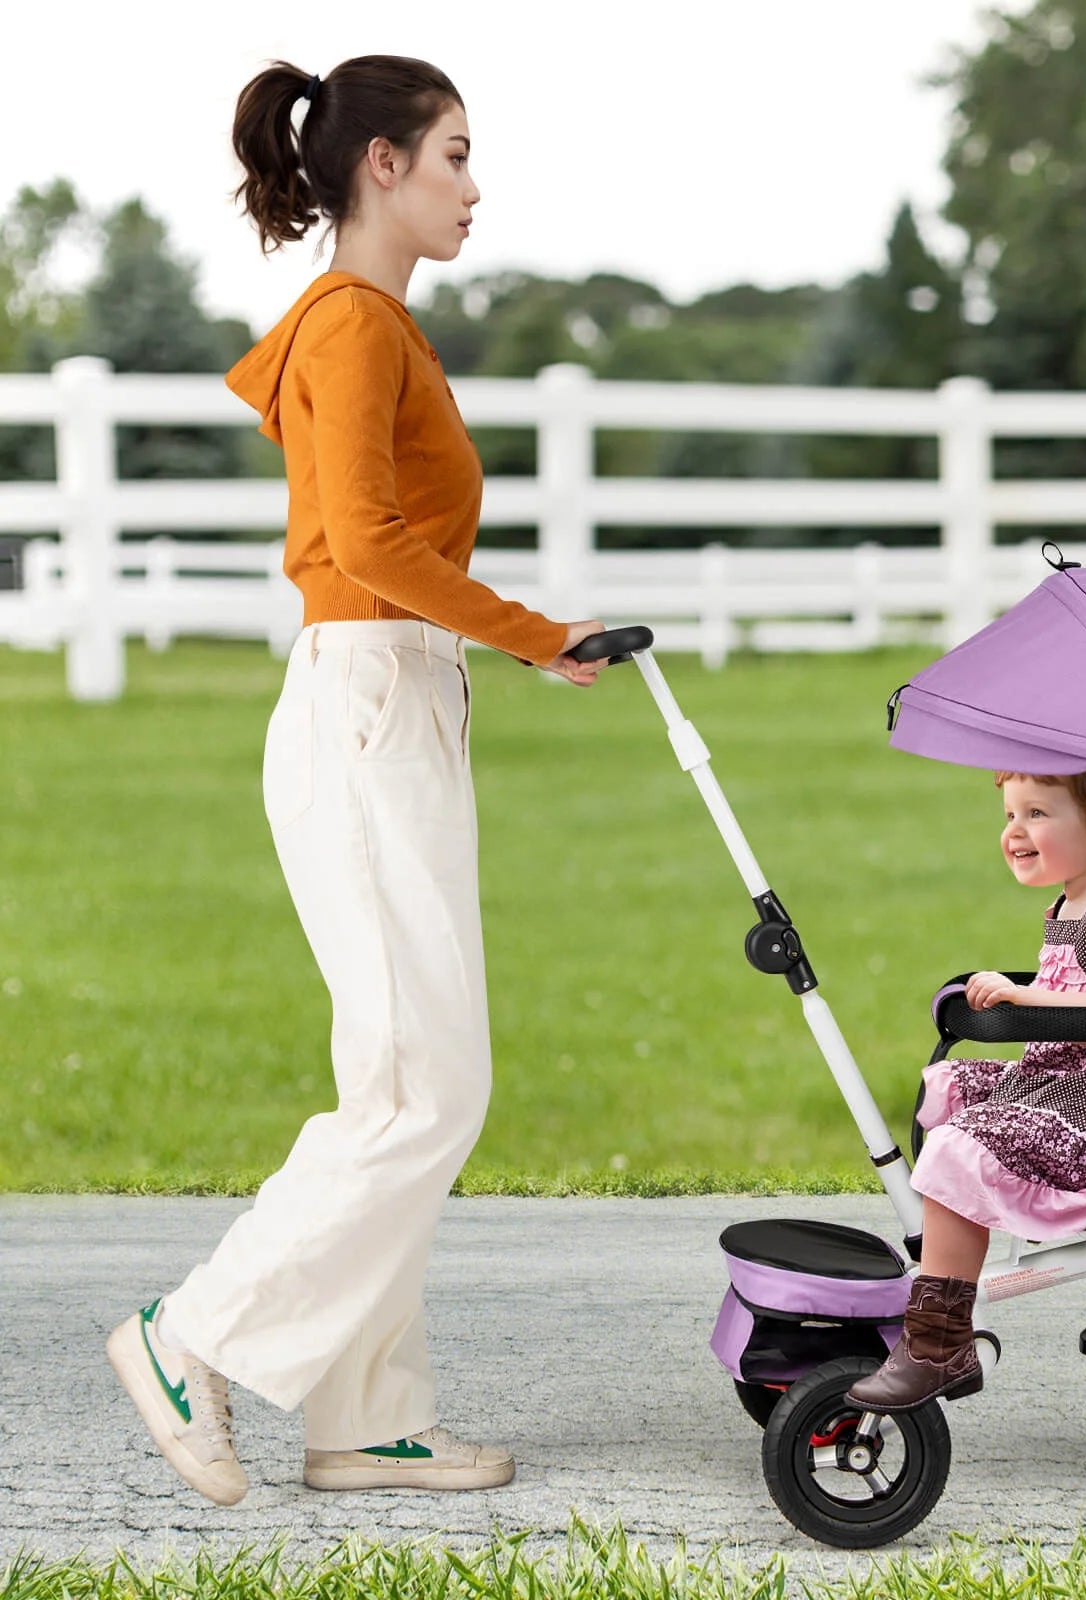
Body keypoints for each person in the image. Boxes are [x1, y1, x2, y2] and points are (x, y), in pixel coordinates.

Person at [106, 55, 609, 1506]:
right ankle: (186, 1333)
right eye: (453, 153)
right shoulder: (352, 326)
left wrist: (501, 649)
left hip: (396, 697)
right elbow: (370, 547)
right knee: (421, 1089)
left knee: (404, 1074)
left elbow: (391, 553)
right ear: (379, 164)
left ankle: (369, 1418)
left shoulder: (373, 325)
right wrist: (538, 636)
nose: (473, 183)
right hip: (369, 698)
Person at [847, 763, 1086, 1413]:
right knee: (948, 1089)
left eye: (1037, 814)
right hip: (1056, 1086)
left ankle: (939, 1341)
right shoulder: (1069, 903)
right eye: (1009, 815)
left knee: (958, 1149)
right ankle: (947, 1268)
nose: (1016, 830)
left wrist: (1023, 996)